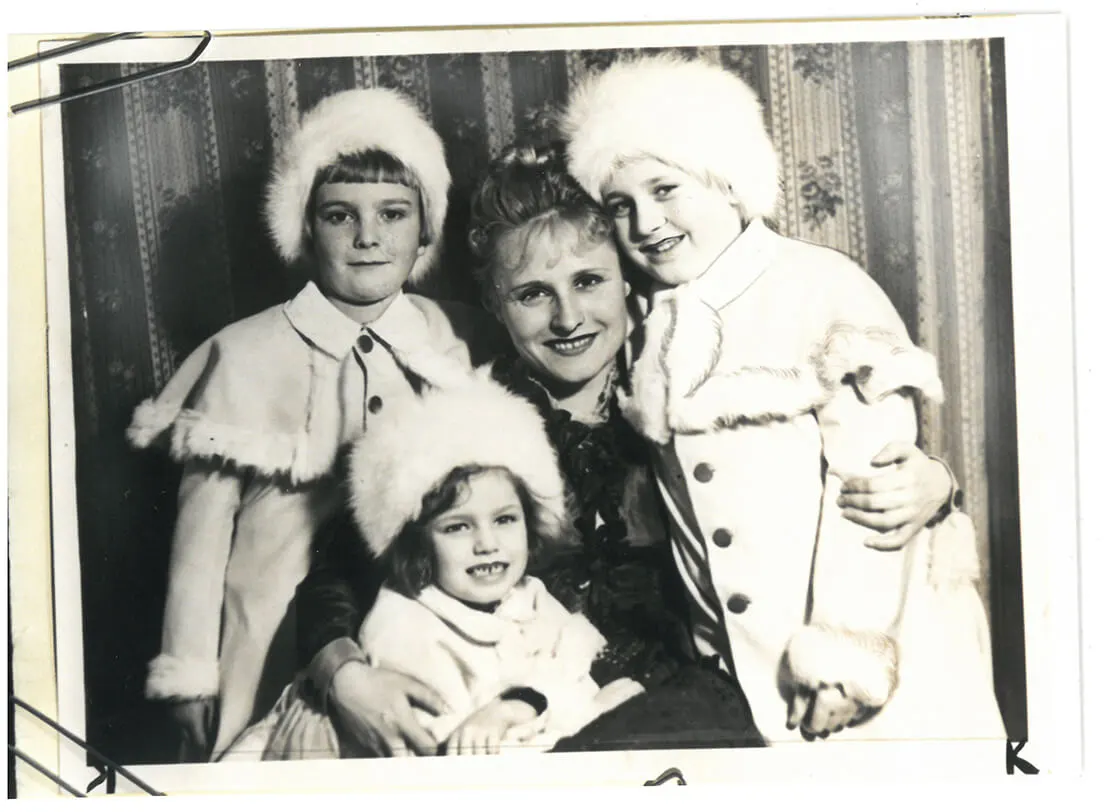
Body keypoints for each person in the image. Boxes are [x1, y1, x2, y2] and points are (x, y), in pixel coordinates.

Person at [278, 142, 967, 756]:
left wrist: (935, 481)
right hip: (512, 710)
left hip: (691, 700)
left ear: (628, 282)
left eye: (587, 282)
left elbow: (827, 466)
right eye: (531, 295)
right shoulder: (467, 422)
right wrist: (347, 677)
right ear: (493, 304)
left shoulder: (688, 393)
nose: (568, 318)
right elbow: (337, 572)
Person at [559, 53, 1006, 743]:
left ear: (729, 183)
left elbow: (872, 491)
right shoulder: (650, 327)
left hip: (882, 662)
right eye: (621, 206)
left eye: (666, 189)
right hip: (747, 675)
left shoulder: (823, 288)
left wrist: (842, 659)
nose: (646, 222)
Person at [126, 86, 501, 761]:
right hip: (268, 639)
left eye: (393, 214)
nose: (368, 237)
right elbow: (201, 539)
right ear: (304, 226)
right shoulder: (239, 355)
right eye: (339, 216)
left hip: (419, 632)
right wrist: (187, 669)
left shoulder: (458, 336)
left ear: (426, 228)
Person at [228, 371, 644, 758]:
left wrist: (533, 704)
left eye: (504, 520)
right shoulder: (405, 626)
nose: (487, 544)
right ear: (418, 546)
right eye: (458, 527)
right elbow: (459, 752)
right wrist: (556, 710)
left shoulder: (529, 595)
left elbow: (576, 669)